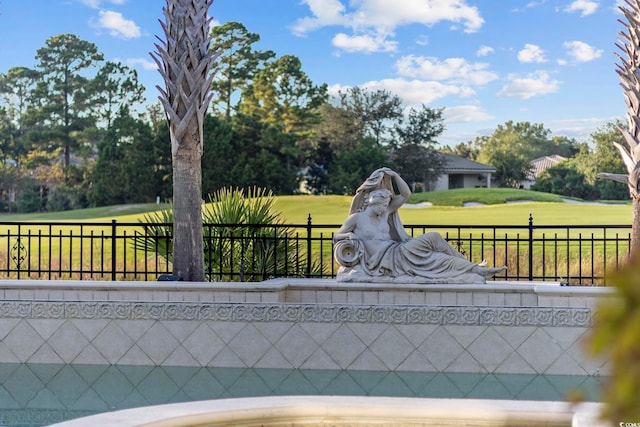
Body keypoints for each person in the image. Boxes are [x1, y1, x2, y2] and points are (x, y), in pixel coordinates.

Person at [333, 168, 506, 283]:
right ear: (371, 201)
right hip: (386, 260)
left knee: (438, 253)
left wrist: (394, 176)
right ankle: (474, 269)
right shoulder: (356, 218)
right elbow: (337, 236)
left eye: (387, 204)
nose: (385, 208)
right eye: (382, 204)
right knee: (435, 249)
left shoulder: (385, 213)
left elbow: (406, 194)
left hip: (398, 251)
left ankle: (473, 269)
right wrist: (350, 236)